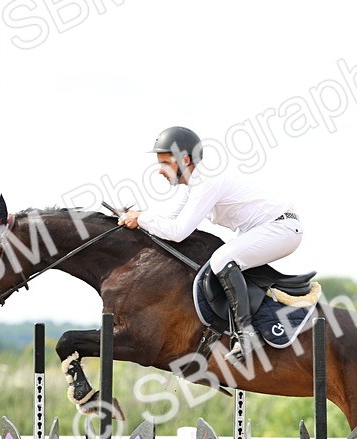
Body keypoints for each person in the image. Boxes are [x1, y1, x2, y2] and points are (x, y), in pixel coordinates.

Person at [119, 126, 302, 364]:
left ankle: (247, 334)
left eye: (164, 163)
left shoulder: (207, 182)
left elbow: (178, 232)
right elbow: (170, 217)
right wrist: (139, 216)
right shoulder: (193, 184)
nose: (160, 171)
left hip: (281, 229)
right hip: (270, 229)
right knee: (223, 259)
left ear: (184, 159)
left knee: (221, 260)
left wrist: (141, 219)